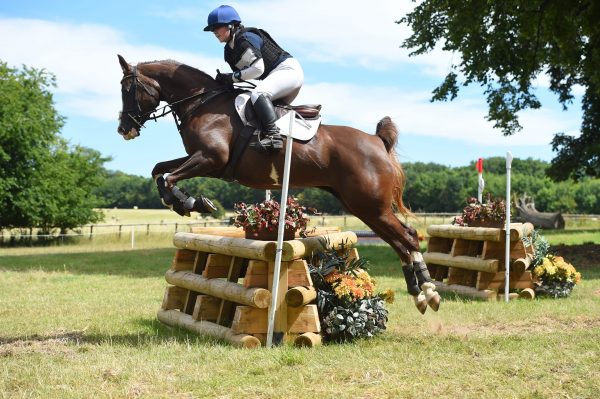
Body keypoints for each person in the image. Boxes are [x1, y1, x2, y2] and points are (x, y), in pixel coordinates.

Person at [204, 5, 304, 152]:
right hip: (278, 76)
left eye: (217, 27)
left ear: (231, 25)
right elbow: (244, 75)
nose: (214, 32)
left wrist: (232, 77)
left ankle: (274, 137)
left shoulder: (245, 38)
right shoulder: (229, 51)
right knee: (252, 105)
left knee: (258, 94)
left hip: (288, 71)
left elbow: (258, 69)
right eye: (212, 29)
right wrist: (227, 81)